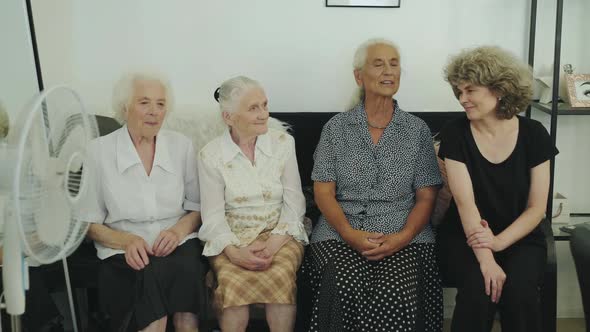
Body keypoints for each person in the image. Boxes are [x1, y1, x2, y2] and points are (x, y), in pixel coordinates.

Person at [298, 38, 443, 332]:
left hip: (404, 233)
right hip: (340, 231)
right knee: (343, 283)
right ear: (359, 76)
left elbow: (426, 198)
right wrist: (350, 234)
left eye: (394, 63)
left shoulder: (417, 131)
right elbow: (323, 192)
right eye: (378, 64)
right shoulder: (336, 129)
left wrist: (400, 238)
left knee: (395, 291)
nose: (388, 71)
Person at [436, 46, 558, 332]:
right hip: (465, 236)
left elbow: (536, 209)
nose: (462, 99)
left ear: (499, 89)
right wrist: (487, 258)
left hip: (521, 236)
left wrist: (499, 242)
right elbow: (466, 205)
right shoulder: (456, 133)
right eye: (458, 92)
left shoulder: (534, 135)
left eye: (470, 90)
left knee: (519, 292)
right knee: (480, 288)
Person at [79, 71, 206, 332]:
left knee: (186, 295)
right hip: (122, 248)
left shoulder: (182, 146)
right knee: (150, 307)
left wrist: (177, 231)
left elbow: (197, 208)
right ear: (125, 107)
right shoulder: (98, 151)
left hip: (176, 243)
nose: (154, 111)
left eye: (160, 104)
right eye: (144, 102)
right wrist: (125, 240)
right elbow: (88, 224)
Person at [197, 76, 308, 332]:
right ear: (228, 117)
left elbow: (295, 202)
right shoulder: (210, 156)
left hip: (281, 233)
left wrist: (273, 244)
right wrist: (235, 252)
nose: (263, 114)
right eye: (253, 108)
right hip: (232, 238)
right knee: (233, 285)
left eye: (265, 105)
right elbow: (212, 217)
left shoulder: (283, 143)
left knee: (280, 277)